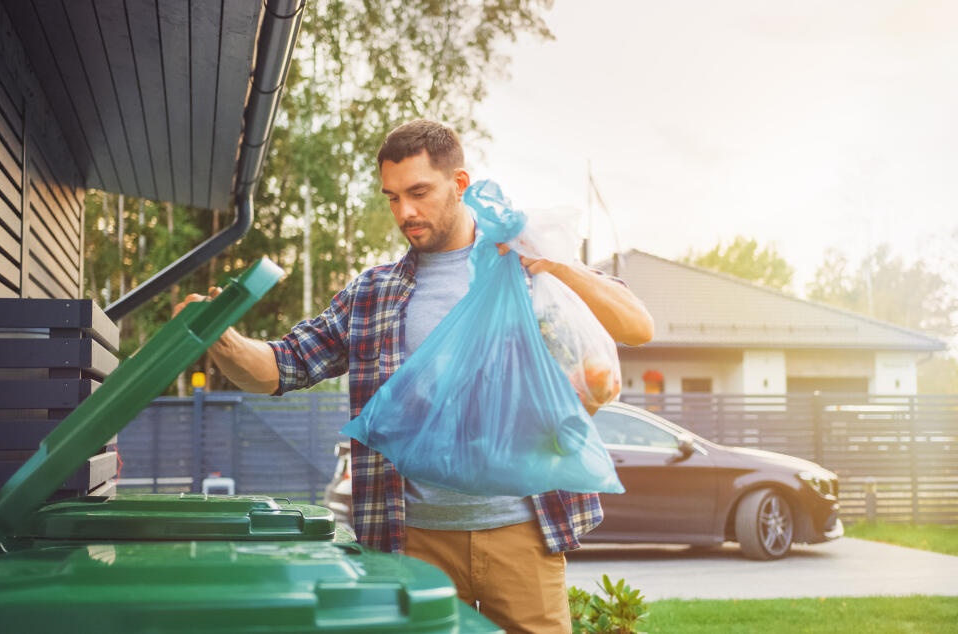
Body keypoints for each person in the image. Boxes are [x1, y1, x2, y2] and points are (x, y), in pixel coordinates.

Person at [175, 119, 654, 633]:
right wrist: (220, 338)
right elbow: (281, 367)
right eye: (392, 197)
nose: (405, 212)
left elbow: (637, 326)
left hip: (522, 530)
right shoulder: (373, 295)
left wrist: (556, 265)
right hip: (413, 539)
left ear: (460, 184)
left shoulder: (524, 270)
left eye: (419, 192)